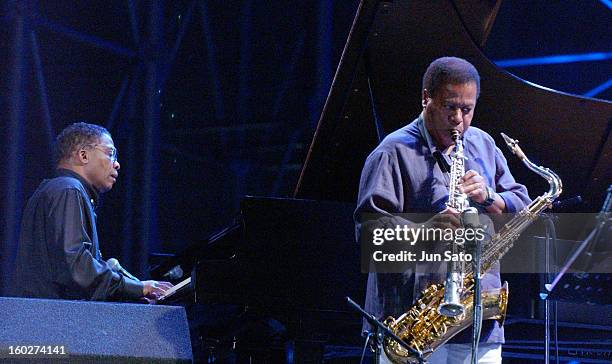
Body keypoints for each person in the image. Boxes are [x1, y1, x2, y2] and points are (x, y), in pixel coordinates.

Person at [355, 57, 531, 363]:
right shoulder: (392, 152)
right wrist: (426, 232)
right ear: (427, 99)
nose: (459, 120)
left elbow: (522, 206)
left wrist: (490, 197)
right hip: (413, 321)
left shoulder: (484, 145)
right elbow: (369, 232)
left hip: (477, 319)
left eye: (467, 109)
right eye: (450, 107)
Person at [11, 122, 172, 302]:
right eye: (110, 154)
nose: (117, 164)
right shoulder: (69, 190)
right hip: (53, 322)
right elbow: (77, 267)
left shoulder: (53, 190)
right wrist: (138, 288)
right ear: (83, 155)